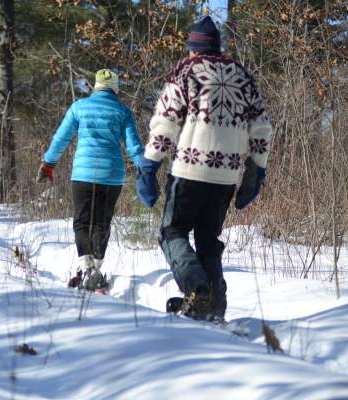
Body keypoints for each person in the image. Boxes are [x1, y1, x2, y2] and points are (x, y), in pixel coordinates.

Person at [136, 16, 273, 321]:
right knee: (208, 239)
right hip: (226, 177)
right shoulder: (242, 76)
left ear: (194, 48)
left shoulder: (185, 72)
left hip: (189, 171)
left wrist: (149, 165)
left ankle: (197, 292)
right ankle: (216, 306)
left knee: (173, 232)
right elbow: (262, 128)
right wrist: (256, 171)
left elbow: (165, 122)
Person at [37, 69, 144, 291]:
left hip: (83, 175)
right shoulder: (123, 111)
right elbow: (134, 146)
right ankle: (95, 268)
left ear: (95, 87)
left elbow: (61, 137)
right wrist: (145, 170)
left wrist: (49, 163)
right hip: (112, 175)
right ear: (115, 88)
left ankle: (86, 268)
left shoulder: (79, 107)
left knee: (82, 221)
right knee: (102, 222)